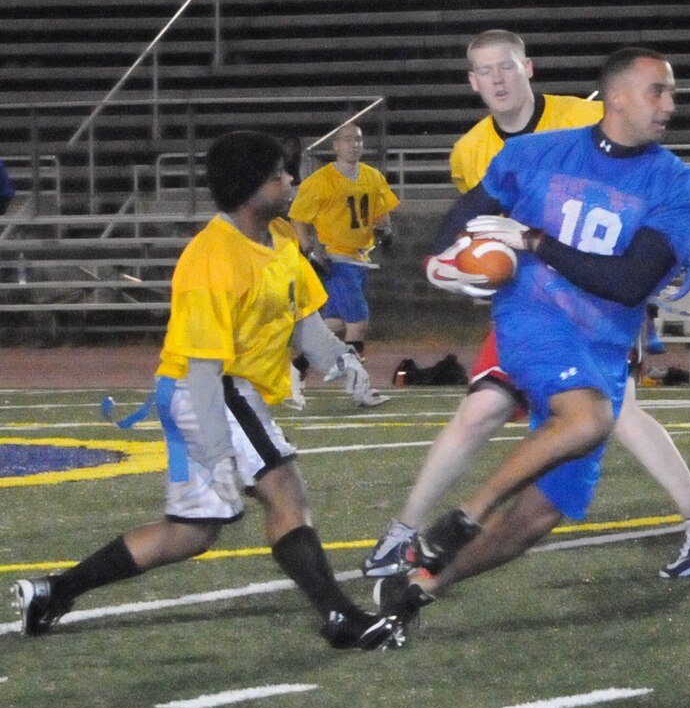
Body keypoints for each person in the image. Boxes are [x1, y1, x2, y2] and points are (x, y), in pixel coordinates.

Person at [375, 47, 690, 622]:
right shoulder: (531, 153)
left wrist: (534, 239)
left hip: (603, 344)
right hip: (535, 319)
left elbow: (626, 284)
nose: (670, 104)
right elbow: (466, 212)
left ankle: (416, 590)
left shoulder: (676, 183)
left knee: (536, 520)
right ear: (616, 96)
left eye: (670, 92)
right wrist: (439, 262)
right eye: (658, 90)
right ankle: (463, 516)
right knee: (588, 419)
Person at [11, 131, 403, 651]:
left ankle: (53, 591)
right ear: (248, 188)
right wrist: (219, 453)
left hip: (221, 388)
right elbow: (201, 370)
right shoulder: (210, 257)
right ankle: (339, 616)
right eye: (277, 176)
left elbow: (303, 313)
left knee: (190, 532)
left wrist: (341, 360)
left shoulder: (280, 239)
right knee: (285, 489)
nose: (289, 182)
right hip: (208, 388)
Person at [288, 123, 397, 407]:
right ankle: (358, 385)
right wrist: (308, 249)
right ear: (335, 146)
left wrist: (386, 232)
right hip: (336, 258)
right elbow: (298, 216)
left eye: (358, 140)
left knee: (331, 325)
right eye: (348, 140)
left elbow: (381, 213)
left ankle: (295, 370)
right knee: (358, 323)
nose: (354, 145)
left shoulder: (372, 177)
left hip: (360, 259)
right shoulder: (322, 180)